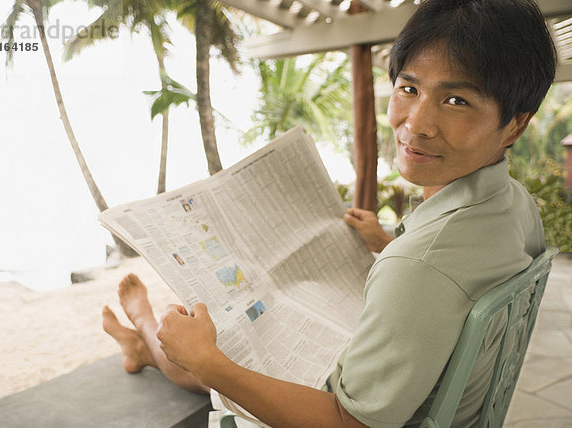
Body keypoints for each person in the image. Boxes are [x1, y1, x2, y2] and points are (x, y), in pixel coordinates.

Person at [102, 0, 556, 426]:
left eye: (457, 100)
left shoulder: (420, 268)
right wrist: (385, 243)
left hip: (380, 410)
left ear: (516, 122)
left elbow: (350, 421)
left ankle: (143, 329)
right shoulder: (514, 205)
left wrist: (210, 363)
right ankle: (140, 346)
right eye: (409, 88)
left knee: (211, 353)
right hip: (431, 387)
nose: (416, 124)